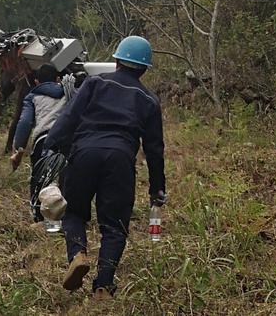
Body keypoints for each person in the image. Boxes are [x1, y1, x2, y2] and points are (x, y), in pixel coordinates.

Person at [43, 35, 167, 299]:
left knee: (74, 213)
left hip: (84, 153)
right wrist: (157, 189)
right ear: (144, 68)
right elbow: (155, 150)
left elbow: (69, 117)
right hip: (120, 161)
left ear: (117, 61)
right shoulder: (149, 100)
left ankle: (77, 254)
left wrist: (51, 147)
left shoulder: (94, 83)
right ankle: (103, 286)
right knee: (114, 225)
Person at [9, 64, 68, 223]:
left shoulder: (32, 96)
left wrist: (18, 147)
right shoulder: (68, 92)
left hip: (43, 141)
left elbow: (25, 122)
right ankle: (65, 219)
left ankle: (40, 218)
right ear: (57, 79)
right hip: (67, 141)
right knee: (65, 179)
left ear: (36, 81)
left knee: (39, 180)